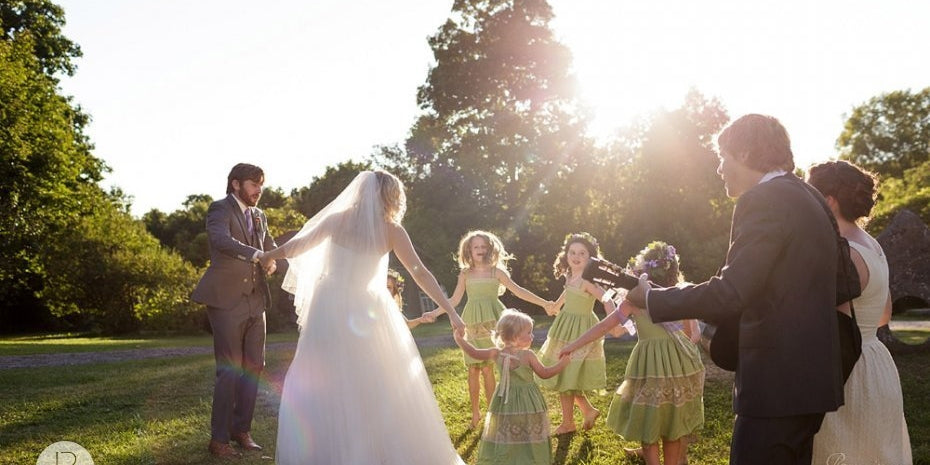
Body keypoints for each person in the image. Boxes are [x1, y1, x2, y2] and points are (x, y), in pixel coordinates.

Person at [624, 114, 845, 465]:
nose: (719, 170)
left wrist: (651, 297)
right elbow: (845, 282)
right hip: (812, 381)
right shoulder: (810, 197)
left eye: (722, 157)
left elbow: (731, 292)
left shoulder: (763, 199)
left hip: (775, 384)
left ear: (744, 152)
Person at [259, 170, 466, 464]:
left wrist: (269, 255)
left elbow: (297, 245)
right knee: (378, 379)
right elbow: (420, 273)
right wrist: (451, 311)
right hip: (369, 309)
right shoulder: (392, 231)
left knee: (329, 377)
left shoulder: (336, 220)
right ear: (392, 197)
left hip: (329, 305)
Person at [561, 242, 704, 465]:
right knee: (673, 424)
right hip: (679, 361)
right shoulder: (679, 294)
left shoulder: (634, 300)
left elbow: (604, 326)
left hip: (649, 363)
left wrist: (572, 345)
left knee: (649, 418)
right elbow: (690, 335)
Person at [808, 161, 913, 464]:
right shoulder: (872, 245)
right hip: (876, 365)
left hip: (845, 368)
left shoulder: (841, 251)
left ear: (829, 201)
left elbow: (832, 325)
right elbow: (883, 315)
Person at [190, 163, 277, 458]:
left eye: (261, 185)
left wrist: (274, 259)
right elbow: (221, 241)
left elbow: (269, 245)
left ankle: (241, 430)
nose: (259, 190)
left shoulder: (260, 215)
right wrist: (257, 255)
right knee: (229, 371)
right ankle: (219, 440)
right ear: (236, 184)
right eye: (254, 184)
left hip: (256, 301)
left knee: (255, 367)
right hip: (226, 300)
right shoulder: (219, 209)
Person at [426, 230, 553, 429]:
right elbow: (454, 300)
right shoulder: (466, 273)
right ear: (468, 250)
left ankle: (493, 414)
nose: (480, 250)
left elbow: (518, 291)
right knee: (473, 369)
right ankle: (475, 414)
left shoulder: (496, 272)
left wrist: (544, 303)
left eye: (484, 246)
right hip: (472, 322)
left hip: (494, 322)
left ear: (490, 249)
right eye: (476, 247)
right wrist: (435, 312)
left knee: (488, 367)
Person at [453, 309, 570, 465]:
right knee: (527, 425)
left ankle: (509, 455)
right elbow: (545, 373)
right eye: (529, 332)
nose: (532, 336)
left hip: (504, 400)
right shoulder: (528, 355)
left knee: (508, 426)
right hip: (528, 400)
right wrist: (563, 364)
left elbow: (473, 352)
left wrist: (459, 340)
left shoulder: (496, 353)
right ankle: (530, 456)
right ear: (515, 336)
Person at [536, 232, 616, 435]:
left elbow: (607, 299)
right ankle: (587, 411)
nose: (576, 256)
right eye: (572, 252)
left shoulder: (588, 281)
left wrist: (614, 321)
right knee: (565, 373)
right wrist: (556, 304)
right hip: (564, 326)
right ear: (566, 255)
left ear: (590, 258)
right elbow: (566, 292)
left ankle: (568, 423)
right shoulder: (570, 276)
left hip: (581, 330)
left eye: (582, 253)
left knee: (566, 373)